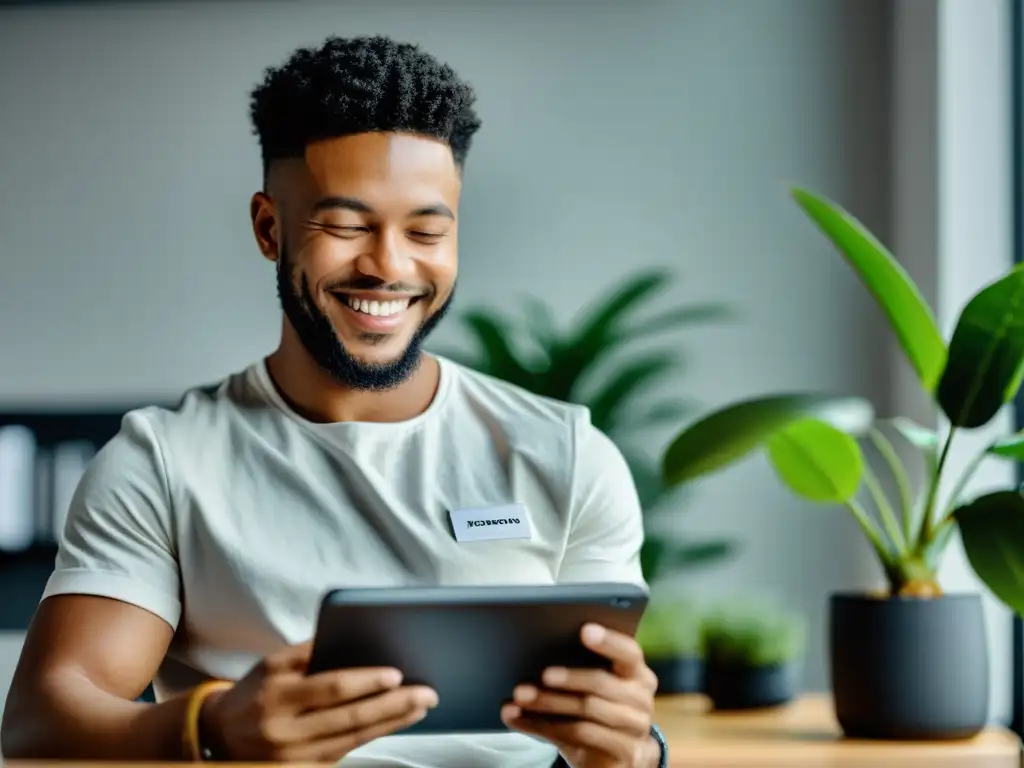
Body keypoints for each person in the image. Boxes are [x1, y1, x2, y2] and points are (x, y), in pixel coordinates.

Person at [0, 35, 666, 768]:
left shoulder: (568, 456)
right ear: (268, 228)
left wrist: (630, 751)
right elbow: (40, 723)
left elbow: (613, 733)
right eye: (345, 226)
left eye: (426, 230)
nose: (388, 265)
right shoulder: (162, 464)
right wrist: (214, 727)